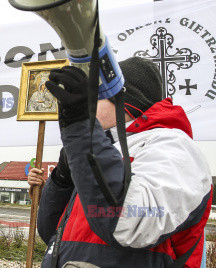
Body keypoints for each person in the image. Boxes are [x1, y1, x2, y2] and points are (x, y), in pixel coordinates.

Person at [28, 57, 212, 267]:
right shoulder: (103, 150)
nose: (89, 104)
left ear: (124, 101)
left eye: (96, 97)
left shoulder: (175, 147)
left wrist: (82, 132)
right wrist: (62, 177)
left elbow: (131, 224)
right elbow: (52, 232)